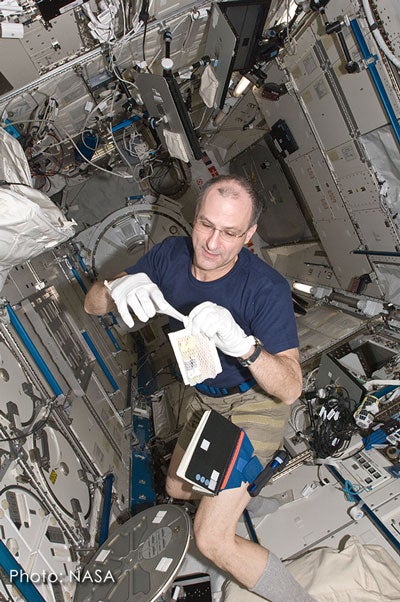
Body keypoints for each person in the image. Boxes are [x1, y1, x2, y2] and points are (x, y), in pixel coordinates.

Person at [84, 175, 314, 602]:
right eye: (206, 225)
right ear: (193, 220)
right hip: (202, 395)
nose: (212, 243)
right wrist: (116, 286)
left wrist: (246, 348)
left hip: (254, 404)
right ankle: (241, 488)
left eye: (229, 233)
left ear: (248, 236)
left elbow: (290, 388)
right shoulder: (168, 257)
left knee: (211, 539)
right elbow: (91, 305)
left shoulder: (265, 289)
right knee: (174, 489)